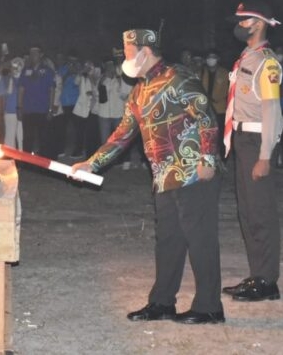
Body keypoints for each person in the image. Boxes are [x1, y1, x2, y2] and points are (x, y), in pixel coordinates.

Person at [72, 28, 223, 325]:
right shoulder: (140, 91)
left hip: (194, 174)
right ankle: (162, 303)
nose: (124, 57)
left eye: (128, 52)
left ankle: (209, 307)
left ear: (144, 51)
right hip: (164, 176)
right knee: (167, 242)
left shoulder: (179, 78)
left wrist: (207, 159)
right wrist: (92, 163)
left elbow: (207, 117)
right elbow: (122, 134)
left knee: (200, 240)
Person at [221, 1, 283, 302]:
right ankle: (257, 273)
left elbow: (272, 111)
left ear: (258, 23)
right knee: (247, 212)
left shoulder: (266, 63)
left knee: (261, 213)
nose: (239, 25)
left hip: (257, 142)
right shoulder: (246, 57)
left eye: (244, 20)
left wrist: (265, 156)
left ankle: (268, 281)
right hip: (242, 140)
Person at [17, 47, 56, 154]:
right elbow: (21, 89)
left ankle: (43, 165)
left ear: (41, 54)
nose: (33, 55)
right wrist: (19, 108)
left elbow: (52, 90)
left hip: (42, 110)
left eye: (35, 53)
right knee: (27, 139)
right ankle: (26, 164)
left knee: (43, 139)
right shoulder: (25, 71)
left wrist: (50, 109)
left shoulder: (47, 71)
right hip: (28, 110)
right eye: (31, 53)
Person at [199, 50, 230, 157]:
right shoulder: (202, 72)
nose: (211, 60)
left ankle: (222, 158)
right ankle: (207, 156)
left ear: (218, 59)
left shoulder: (224, 73)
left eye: (213, 57)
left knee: (221, 135)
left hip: (220, 109)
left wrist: (217, 99)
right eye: (209, 57)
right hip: (205, 109)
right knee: (206, 134)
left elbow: (228, 90)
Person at [3, 56, 25, 150]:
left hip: (21, 111)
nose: (15, 69)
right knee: (9, 138)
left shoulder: (24, 79)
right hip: (10, 112)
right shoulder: (7, 79)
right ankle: (10, 159)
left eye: (18, 67)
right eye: (13, 67)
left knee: (21, 137)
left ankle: (22, 160)